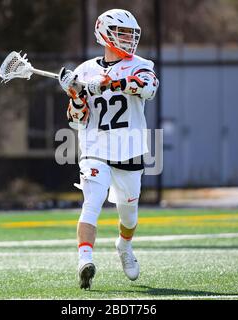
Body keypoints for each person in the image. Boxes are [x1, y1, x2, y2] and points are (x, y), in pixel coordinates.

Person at [58, 8, 159, 290]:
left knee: (129, 215)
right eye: (122, 33)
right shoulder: (84, 71)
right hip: (95, 149)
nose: (128, 39)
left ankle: (124, 246)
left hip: (129, 150)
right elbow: (76, 120)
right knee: (91, 203)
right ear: (104, 34)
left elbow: (147, 88)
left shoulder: (142, 64)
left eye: (131, 34)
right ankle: (84, 260)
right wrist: (77, 95)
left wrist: (110, 83)